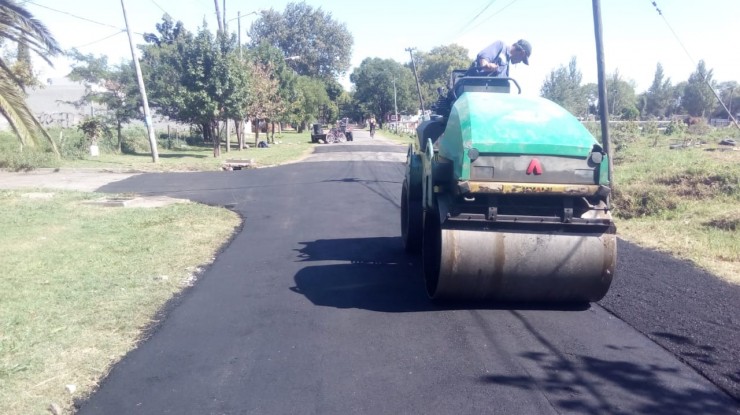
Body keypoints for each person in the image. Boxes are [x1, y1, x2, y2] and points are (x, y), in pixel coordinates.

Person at [466, 39, 532, 77]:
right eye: (522, 59)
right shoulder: (501, 46)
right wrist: (487, 65)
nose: (520, 62)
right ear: (522, 53)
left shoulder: (506, 66)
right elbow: (483, 58)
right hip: (475, 86)